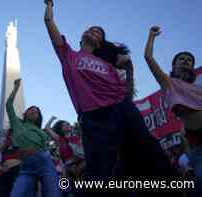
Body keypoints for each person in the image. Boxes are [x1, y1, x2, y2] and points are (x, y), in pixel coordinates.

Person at [44, 1, 178, 196]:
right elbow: (49, 21)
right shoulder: (68, 55)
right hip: (95, 117)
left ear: (100, 43)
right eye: (91, 29)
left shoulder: (107, 63)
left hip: (123, 108)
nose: (94, 32)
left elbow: (128, 81)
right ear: (82, 38)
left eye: (98, 33)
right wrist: (49, 5)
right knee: (98, 174)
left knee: (151, 156)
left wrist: (131, 68)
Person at [144, 25, 202, 194]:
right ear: (174, 64)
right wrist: (151, 36)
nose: (186, 61)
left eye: (189, 60)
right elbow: (148, 57)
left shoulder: (198, 86)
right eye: (182, 58)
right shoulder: (168, 83)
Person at [8, 79, 61, 197]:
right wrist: (16, 88)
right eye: (31, 110)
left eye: (36, 112)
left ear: (38, 117)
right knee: (17, 194)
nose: (33, 111)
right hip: (26, 166)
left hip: (44, 161)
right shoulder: (17, 124)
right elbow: (8, 105)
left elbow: (50, 146)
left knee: (53, 193)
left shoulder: (41, 132)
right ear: (25, 113)